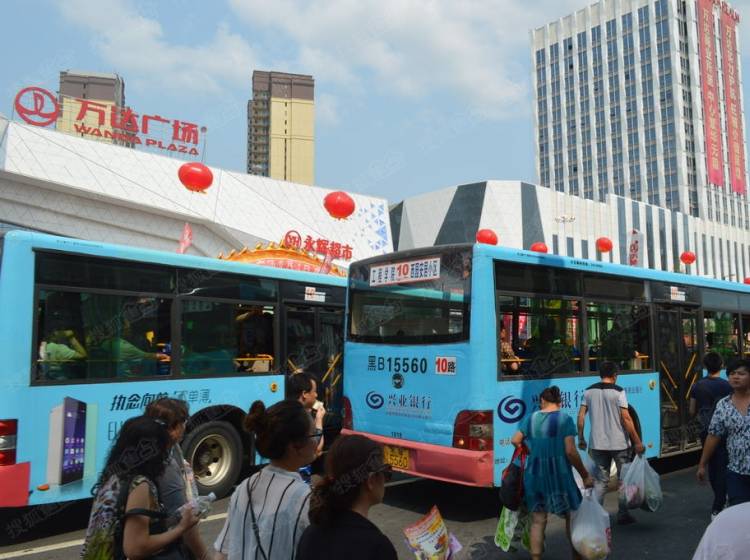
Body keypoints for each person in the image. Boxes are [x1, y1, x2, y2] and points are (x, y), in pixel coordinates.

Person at [81, 416, 199, 560]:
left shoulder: (112, 476)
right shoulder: (139, 485)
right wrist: (182, 527)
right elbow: (135, 549)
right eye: (163, 448)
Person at [214, 400, 319, 559]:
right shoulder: (304, 499)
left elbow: (222, 552)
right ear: (295, 446)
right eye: (314, 434)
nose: (316, 442)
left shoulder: (244, 487)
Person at [511, 386, 594, 560]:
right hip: (560, 475)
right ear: (559, 402)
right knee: (570, 516)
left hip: (535, 475)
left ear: (542, 401)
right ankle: (576, 556)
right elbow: (570, 451)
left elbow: (515, 440)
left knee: (538, 520)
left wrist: (530, 449)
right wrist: (585, 475)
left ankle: (536, 558)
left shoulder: (531, 418)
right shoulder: (565, 420)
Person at [295, 435, 397, 560]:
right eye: (386, 471)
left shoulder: (310, 534)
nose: (386, 478)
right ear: (370, 481)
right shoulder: (377, 546)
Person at [577, 360, 645, 525]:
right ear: (615, 375)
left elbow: (580, 416)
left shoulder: (588, 391)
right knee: (624, 479)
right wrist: (637, 442)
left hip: (597, 444)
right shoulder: (618, 392)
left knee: (600, 482)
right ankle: (623, 514)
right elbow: (626, 418)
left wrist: (581, 438)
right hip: (619, 444)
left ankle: (596, 516)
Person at [144, 398, 211, 560]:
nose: (184, 427)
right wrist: (204, 556)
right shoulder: (166, 469)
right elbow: (183, 522)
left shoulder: (141, 453)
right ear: (174, 429)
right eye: (183, 423)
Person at [697, 358, 750, 507]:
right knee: (739, 513)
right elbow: (713, 435)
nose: (736, 377)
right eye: (732, 374)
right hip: (736, 473)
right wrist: (702, 464)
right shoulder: (723, 405)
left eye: (741, 374)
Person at [689, 352, 732, 519]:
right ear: (721, 366)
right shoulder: (728, 385)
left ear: (705, 366)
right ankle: (722, 500)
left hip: (706, 431)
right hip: (726, 431)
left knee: (713, 465)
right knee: (726, 463)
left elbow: (692, 410)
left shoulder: (697, 386)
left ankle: (719, 499)